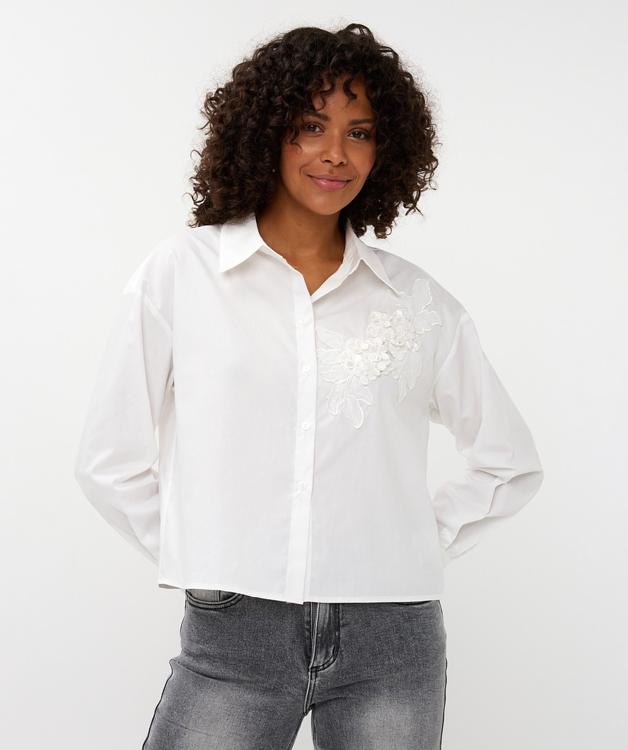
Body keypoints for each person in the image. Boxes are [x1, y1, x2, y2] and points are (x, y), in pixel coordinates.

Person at [73, 22, 544, 750]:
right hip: (234, 633)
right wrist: (209, 553)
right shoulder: (183, 276)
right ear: (266, 133)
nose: (335, 153)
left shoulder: (417, 304)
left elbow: (509, 462)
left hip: (393, 637)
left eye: (360, 132)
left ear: (385, 151)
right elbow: (109, 461)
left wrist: (416, 539)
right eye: (312, 126)